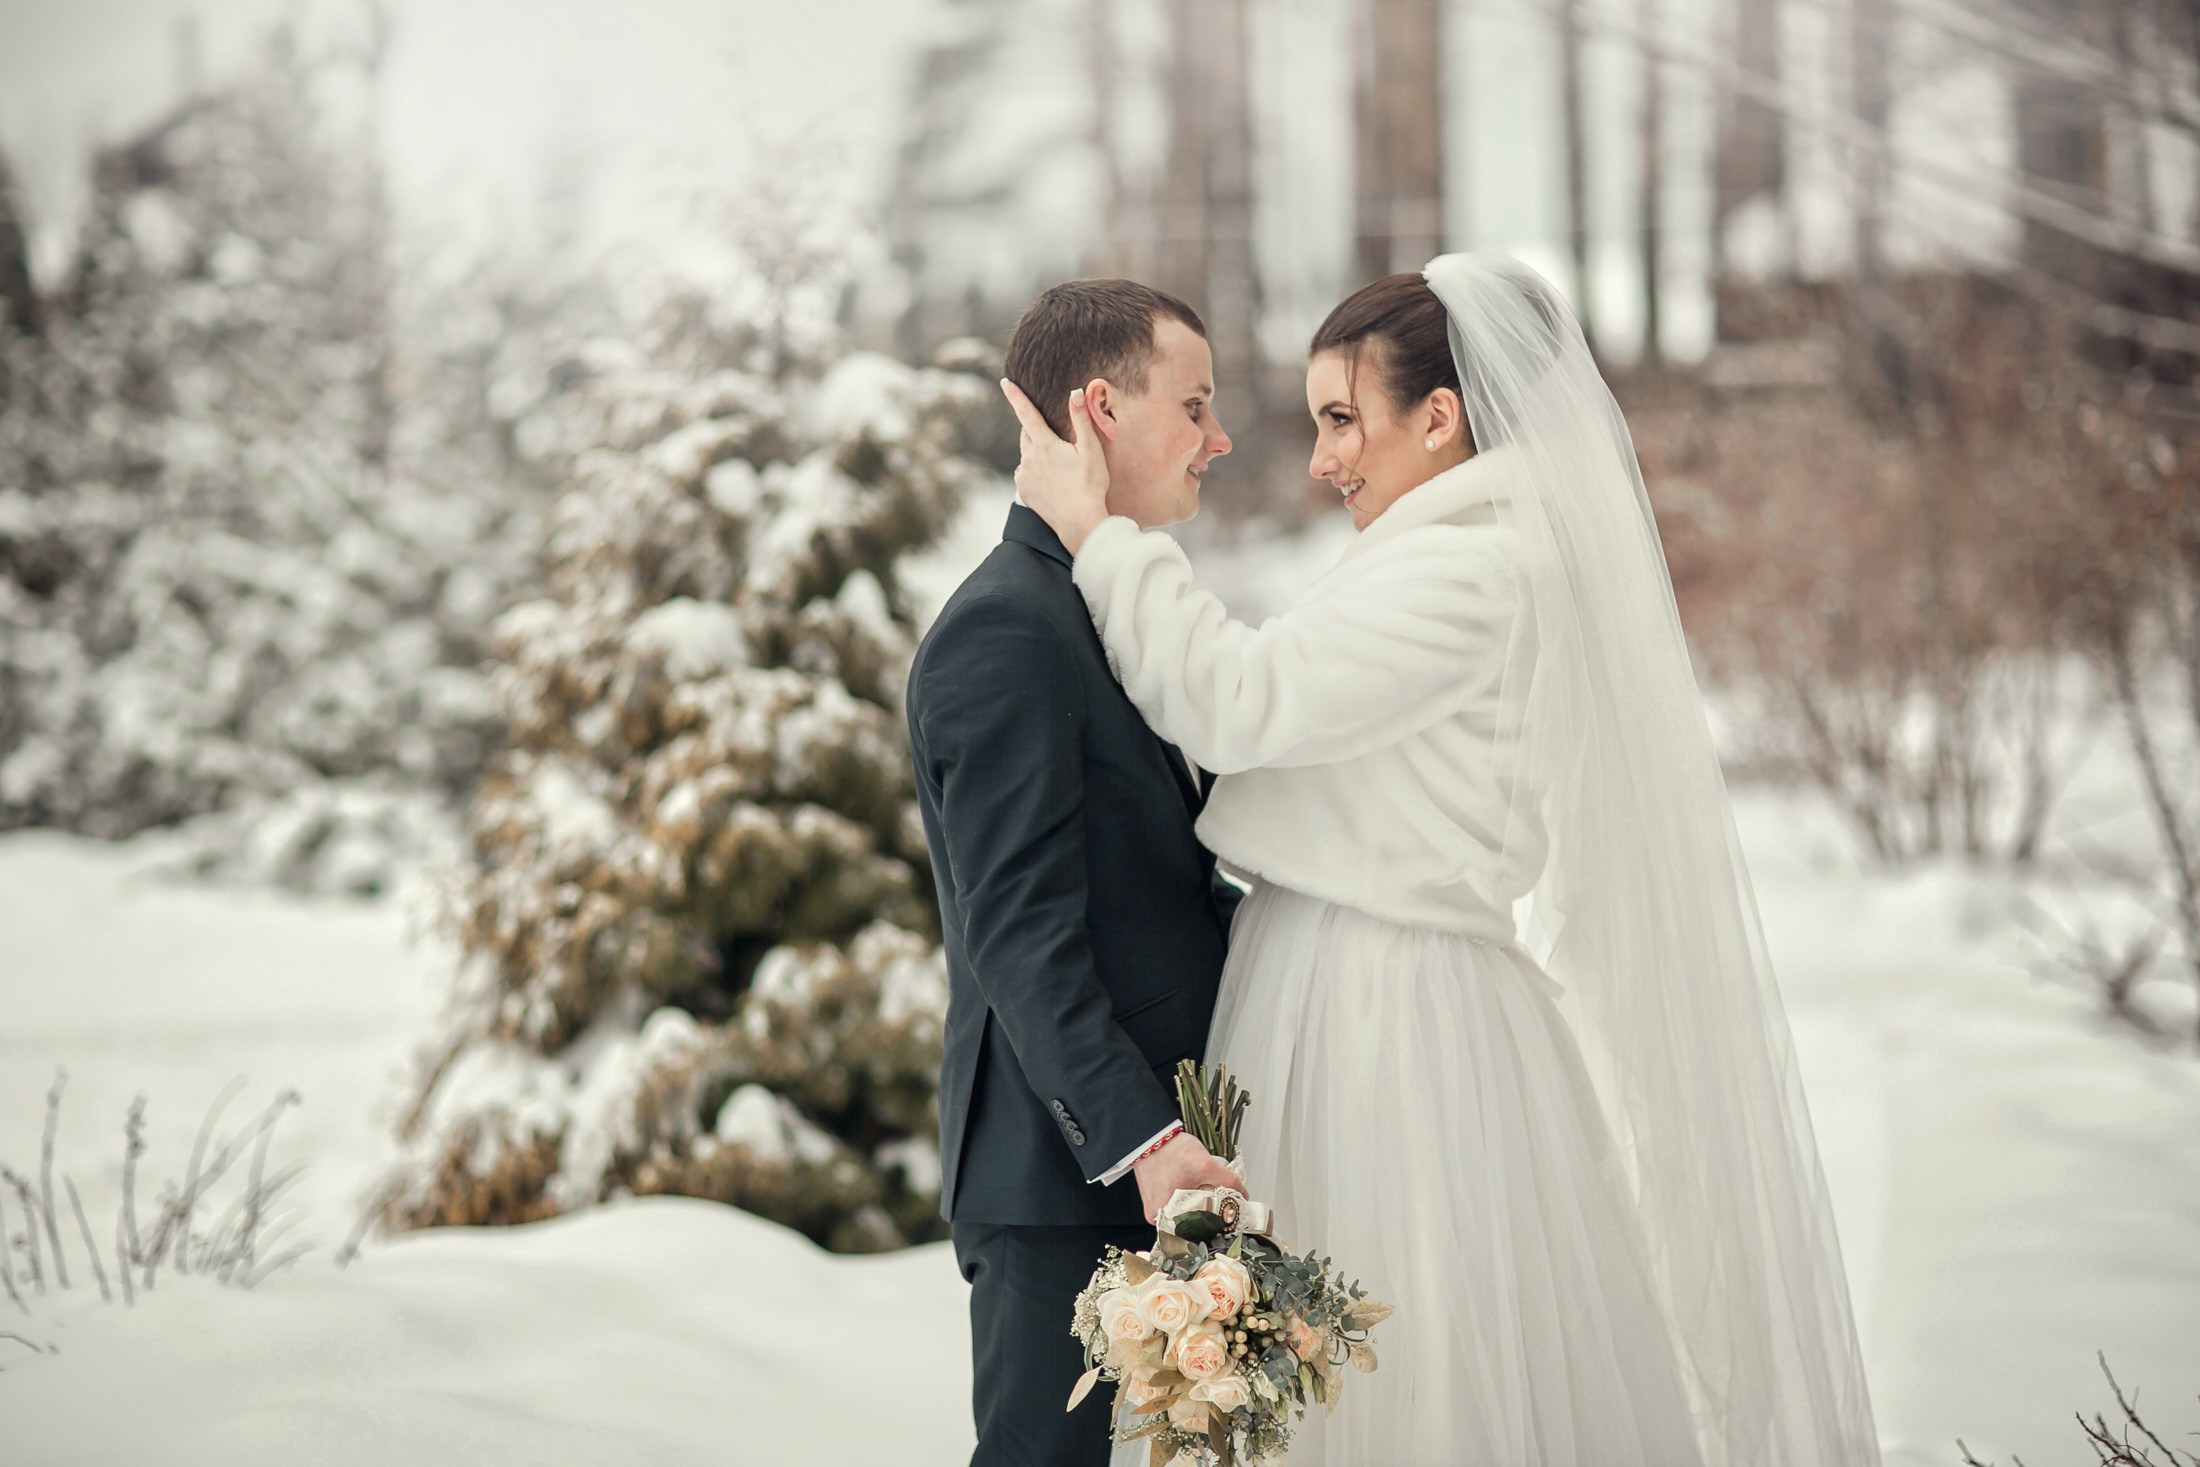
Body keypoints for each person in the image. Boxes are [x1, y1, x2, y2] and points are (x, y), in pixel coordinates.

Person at [1003, 253, 1882, 1466]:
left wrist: (1097, 536)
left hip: (1387, 1016)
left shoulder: (1471, 568)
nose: (1322, 461)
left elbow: (1241, 701)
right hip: (1352, 987)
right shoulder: (1442, 553)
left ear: (1440, 416)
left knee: (1400, 1371)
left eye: (1341, 420)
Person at [906, 278, 1248, 1467]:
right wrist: (1143, 1141)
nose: (1219, 439)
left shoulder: (1097, 605)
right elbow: (1019, 934)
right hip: (1064, 1180)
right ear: (1099, 408)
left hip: (1152, 1168)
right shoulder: (1004, 629)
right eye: (1194, 405)